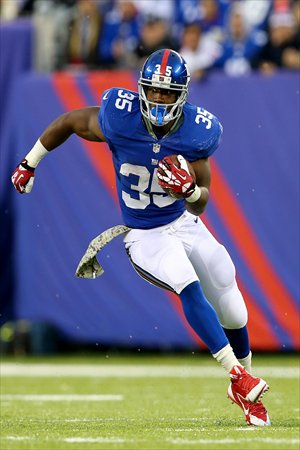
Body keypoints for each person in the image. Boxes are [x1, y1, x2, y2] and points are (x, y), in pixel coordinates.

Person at [11, 49, 270, 426]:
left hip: (182, 222)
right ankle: (237, 375)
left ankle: (244, 382)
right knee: (189, 285)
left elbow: (202, 202)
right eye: (154, 91)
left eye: (168, 93)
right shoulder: (120, 117)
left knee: (230, 296)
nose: (160, 99)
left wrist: (190, 192)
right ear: (141, 89)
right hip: (146, 235)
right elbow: (69, 121)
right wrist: (29, 162)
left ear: (182, 93)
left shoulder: (197, 131)